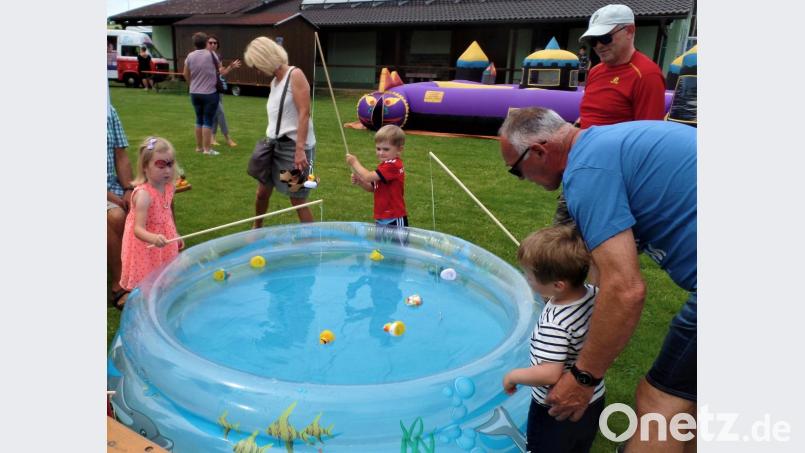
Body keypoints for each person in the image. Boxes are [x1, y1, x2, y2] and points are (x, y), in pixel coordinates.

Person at [498, 107, 696, 453]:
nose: (522, 178)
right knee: (690, 397)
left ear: (540, 151)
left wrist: (583, 377)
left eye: (516, 171)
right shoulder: (604, 145)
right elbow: (602, 270)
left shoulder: (586, 172)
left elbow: (625, 289)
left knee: (659, 402)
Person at [503, 224, 603, 453]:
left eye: (529, 276)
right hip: (593, 397)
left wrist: (512, 376)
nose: (526, 279)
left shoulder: (555, 322)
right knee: (578, 446)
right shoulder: (592, 295)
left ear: (558, 285)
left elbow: (550, 373)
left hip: (556, 408)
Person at [244, 36, 316, 227]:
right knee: (262, 192)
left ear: (265, 59)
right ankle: (256, 228)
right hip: (272, 147)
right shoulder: (275, 82)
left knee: (297, 199)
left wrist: (300, 150)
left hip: (293, 149)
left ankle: (312, 243)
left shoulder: (295, 75)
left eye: (257, 65)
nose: (257, 70)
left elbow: (304, 113)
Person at [577, 4, 666, 129]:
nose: (598, 46)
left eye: (604, 38)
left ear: (629, 31)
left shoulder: (646, 75)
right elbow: (588, 115)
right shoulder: (595, 71)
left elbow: (649, 135)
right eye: (593, 40)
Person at [119, 137, 182, 302]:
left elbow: (167, 215)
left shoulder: (169, 187)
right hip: (145, 245)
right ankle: (145, 307)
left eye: (170, 164)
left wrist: (175, 234)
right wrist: (153, 238)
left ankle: (160, 299)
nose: (167, 170)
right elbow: (137, 229)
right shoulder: (144, 195)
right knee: (147, 279)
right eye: (160, 165)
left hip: (163, 239)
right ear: (145, 167)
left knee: (163, 274)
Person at [346, 124, 408, 227]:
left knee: (396, 243)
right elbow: (372, 188)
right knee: (381, 244)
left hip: (394, 217)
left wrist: (354, 162)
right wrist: (360, 182)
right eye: (378, 149)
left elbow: (368, 176)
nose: (381, 153)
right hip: (381, 216)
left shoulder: (393, 165)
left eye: (386, 149)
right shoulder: (384, 165)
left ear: (399, 150)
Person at [107, 99, 135, 309]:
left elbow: (121, 155)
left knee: (156, 198)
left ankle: (156, 271)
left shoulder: (109, 111)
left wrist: (128, 189)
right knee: (116, 216)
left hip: (115, 186)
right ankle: (119, 284)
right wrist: (116, 199)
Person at [183, 32, 220, 155]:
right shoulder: (211, 54)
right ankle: (207, 149)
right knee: (208, 120)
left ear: (194, 43)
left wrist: (191, 84)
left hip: (194, 92)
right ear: (206, 43)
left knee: (199, 119)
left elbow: (185, 74)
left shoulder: (190, 56)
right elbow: (219, 69)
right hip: (210, 92)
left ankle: (199, 147)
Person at [206, 35, 241, 148]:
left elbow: (221, 73)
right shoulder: (204, 56)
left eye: (215, 43)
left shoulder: (218, 56)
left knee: (216, 115)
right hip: (209, 90)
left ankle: (212, 138)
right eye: (210, 42)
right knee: (221, 113)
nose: (213, 45)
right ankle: (228, 138)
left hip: (218, 89)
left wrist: (231, 67)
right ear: (206, 44)